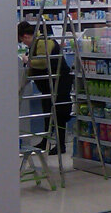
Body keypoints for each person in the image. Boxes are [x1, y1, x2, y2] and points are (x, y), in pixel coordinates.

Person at [18, 21, 73, 155]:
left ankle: (60, 145)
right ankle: (45, 141)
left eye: (23, 41)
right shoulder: (36, 43)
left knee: (59, 114)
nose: (24, 44)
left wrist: (28, 61)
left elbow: (43, 62)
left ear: (25, 36)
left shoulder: (43, 42)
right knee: (47, 113)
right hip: (49, 86)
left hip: (59, 83)